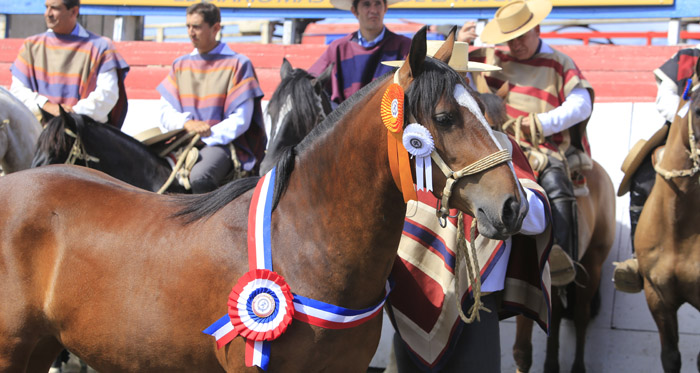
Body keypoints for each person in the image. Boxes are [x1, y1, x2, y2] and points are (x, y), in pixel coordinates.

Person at [381, 40, 552, 373]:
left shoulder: (498, 144)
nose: (447, 89)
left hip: (477, 298)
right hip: (411, 297)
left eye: (457, 79)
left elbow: (536, 218)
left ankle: (565, 263)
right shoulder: (404, 148)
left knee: (561, 188)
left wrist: (509, 200)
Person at [467, 0, 594, 287]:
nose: (515, 44)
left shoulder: (560, 62)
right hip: (497, 144)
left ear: (537, 28)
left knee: (555, 180)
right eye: (509, 39)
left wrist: (540, 123)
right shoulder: (492, 60)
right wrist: (462, 48)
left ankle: (563, 257)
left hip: (542, 147)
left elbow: (581, 104)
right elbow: (467, 91)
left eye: (521, 37)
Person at [613, 45, 700, 293]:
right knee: (641, 176)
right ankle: (637, 259)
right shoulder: (687, 57)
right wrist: (690, 116)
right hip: (685, 135)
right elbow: (665, 98)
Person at [156, 2, 267, 193]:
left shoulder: (238, 64)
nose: (191, 32)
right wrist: (187, 124)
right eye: (188, 26)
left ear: (215, 28)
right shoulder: (179, 65)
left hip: (220, 144)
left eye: (197, 27)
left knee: (200, 177)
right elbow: (165, 112)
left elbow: (241, 119)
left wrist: (205, 135)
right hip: (181, 140)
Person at [10, 0, 129, 127]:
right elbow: (18, 91)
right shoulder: (31, 46)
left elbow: (107, 94)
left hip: (85, 131)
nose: (48, 14)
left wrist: (71, 115)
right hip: (39, 133)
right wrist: (47, 106)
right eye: (46, 7)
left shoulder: (101, 46)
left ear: (74, 12)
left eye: (55, 8)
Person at [307, 0, 411, 105]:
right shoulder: (338, 48)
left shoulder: (405, 47)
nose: (373, 10)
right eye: (366, 4)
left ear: (385, 8)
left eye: (378, 4)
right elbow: (310, 82)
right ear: (354, 11)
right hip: (344, 120)